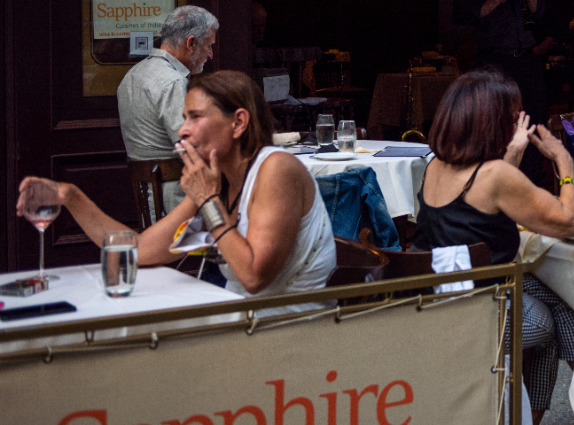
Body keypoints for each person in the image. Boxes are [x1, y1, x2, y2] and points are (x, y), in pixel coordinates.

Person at [20, 71, 337, 310]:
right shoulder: (218, 182)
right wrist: (71, 196)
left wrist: (209, 202)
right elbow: (139, 251)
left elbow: (254, 277)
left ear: (238, 123)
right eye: (184, 117)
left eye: (195, 117)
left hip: (288, 334)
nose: (183, 129)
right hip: (240, 321)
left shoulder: (276, 169)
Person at [412, 69, 574, 424]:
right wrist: (564, 161)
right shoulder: (494, 176)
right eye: (514, 115)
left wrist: (512, 155)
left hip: (442, 295)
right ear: (495, 123)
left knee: (561, 297)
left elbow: (483, 208)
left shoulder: (435, 166)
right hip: (479, 310)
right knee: (555, 315)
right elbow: (572, 222)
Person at [455, 0, 547, 180]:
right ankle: (494, 178)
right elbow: (468, 15)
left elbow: (539, 12)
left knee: (532, 120)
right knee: (496, 121)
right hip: (495, 60)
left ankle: (529, 179)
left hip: (526, 59)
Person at [117, 5, 219, 215]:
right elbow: (193, 148)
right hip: (176, 202)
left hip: (149, 199)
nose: (210, 54)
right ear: (191, 43)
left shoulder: (132, 75)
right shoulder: (172, 82)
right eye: (208, 45)